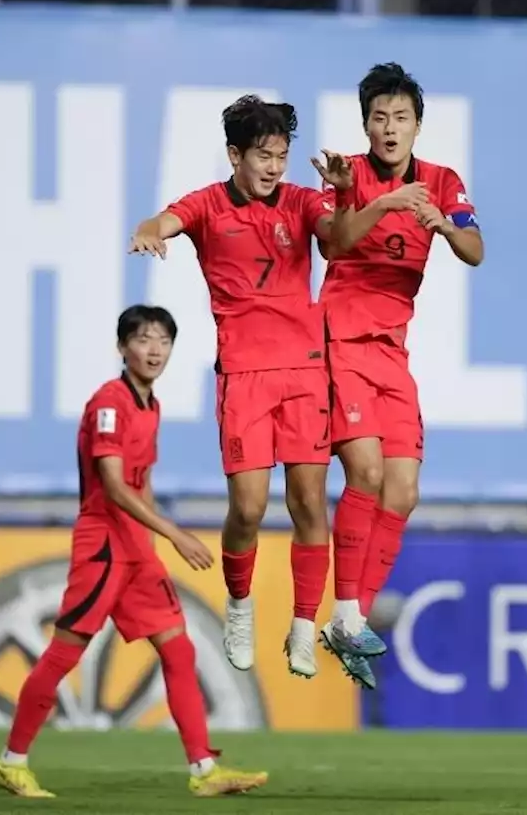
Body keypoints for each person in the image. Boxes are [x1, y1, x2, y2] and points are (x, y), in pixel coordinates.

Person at [0, 305, 268, 799]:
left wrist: (155, 540)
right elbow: (115, 487)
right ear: (123, 347)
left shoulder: (150, 404)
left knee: (178, 647)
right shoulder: (110, 404)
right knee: (65, 653)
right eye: (143, 339)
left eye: (163, 340)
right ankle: (12, 762)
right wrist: (175, 534)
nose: (154, 349)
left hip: (136, 548)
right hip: (103, 543)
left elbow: (144, 481)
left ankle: (204, 769)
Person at [129, 96, 335, 679]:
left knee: (309, 503)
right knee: (247, 508)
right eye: (263, 156)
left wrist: (344, 203)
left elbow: (335, 234)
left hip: (304, 371)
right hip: (243, 377)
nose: (274, 167)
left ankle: (301, 626)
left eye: (282, 156)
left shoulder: (302, 201)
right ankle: (239, 606)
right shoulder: (208, 205)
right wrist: (149, 230)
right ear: (234, 154)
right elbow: (162, 221)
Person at [310, 63, 484, 689]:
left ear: (417, 125)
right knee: (367, 473)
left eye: (401, 117)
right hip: (337, 339)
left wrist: (443, 225)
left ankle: (350, 621)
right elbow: (335, 245)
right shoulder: (346, 174)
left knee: (403, 490)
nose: (390, 128)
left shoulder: (441, 182)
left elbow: (475, 248)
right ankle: (349, 614)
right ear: (366, 125)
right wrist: (377, 199)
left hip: (391, 352)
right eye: (379, 118)